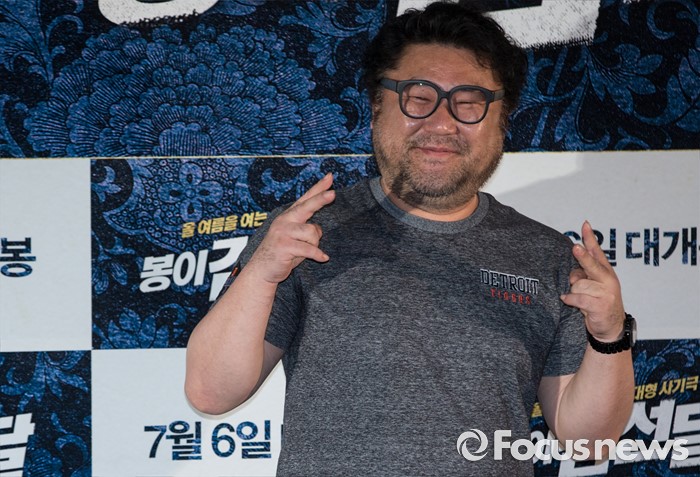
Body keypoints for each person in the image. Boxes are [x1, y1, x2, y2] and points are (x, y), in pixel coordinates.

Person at [185, 2, 635, 475]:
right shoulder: (305, 234)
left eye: (468, 102)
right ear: (376, 107)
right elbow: (211, 393)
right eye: (419, 97)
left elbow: (588, 443)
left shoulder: (548, 257)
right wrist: (261, 273)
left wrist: (609, 335)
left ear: (503, 120)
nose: (441, 123)